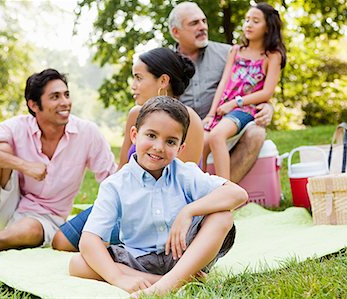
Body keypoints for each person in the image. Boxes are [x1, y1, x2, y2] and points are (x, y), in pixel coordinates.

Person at [68, 96, 247, 297]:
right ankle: (174, 281)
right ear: (134, 135)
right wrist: (118, 279)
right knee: (78, 263)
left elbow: (238, 194)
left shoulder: (184, 172)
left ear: (180, 149)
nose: (159, 147)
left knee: (223, 216)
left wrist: (189, 211)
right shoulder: (115, 185)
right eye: (151, 135)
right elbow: (89, 239)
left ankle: (166, 285)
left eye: (170, 141)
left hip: (185, 254)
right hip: (139, 261)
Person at [51, 47, 204, 252]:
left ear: (163, 81)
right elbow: (122, 169)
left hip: (160, 212)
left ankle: (131, 253)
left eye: (139, 78)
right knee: (61, 241)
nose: (133, 86)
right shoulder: (136, 115)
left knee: (94, 244)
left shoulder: (189, 120)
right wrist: (108, 205)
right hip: (125, 202)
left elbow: (184, 186)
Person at [0, 69, 116, 251]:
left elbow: (111, 179)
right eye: (55, 97)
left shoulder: (88, 133)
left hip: (46, 217)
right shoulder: (18, 126)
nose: (65, 103)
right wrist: (24, 166)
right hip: (11, 202)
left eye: (66, 95)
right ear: (34, 105)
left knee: (29, 229)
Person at [168, 1, 275, 183]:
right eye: (194, 23)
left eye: (204, 21)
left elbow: (256, 85)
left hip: (226, 125)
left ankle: (223, 196)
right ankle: (195, 195)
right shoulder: (165, 64)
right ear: (175, 32)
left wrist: (268, 107)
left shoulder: (230, 53)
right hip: (185, 134)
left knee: (257, 133)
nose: (202, 27)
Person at [201, 3, 287, 179]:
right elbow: (224, 83)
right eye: (247, 20)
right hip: (222, 107)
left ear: (267, 27)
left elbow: (266, 93)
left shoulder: (272, 56)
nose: (248, 24)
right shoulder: (235, 51)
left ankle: (225, 190)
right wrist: (210, 114)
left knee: (217, 136)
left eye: (255, 21)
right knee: (201, 142)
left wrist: (235, 102)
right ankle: (198, 191)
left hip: (244, 109)